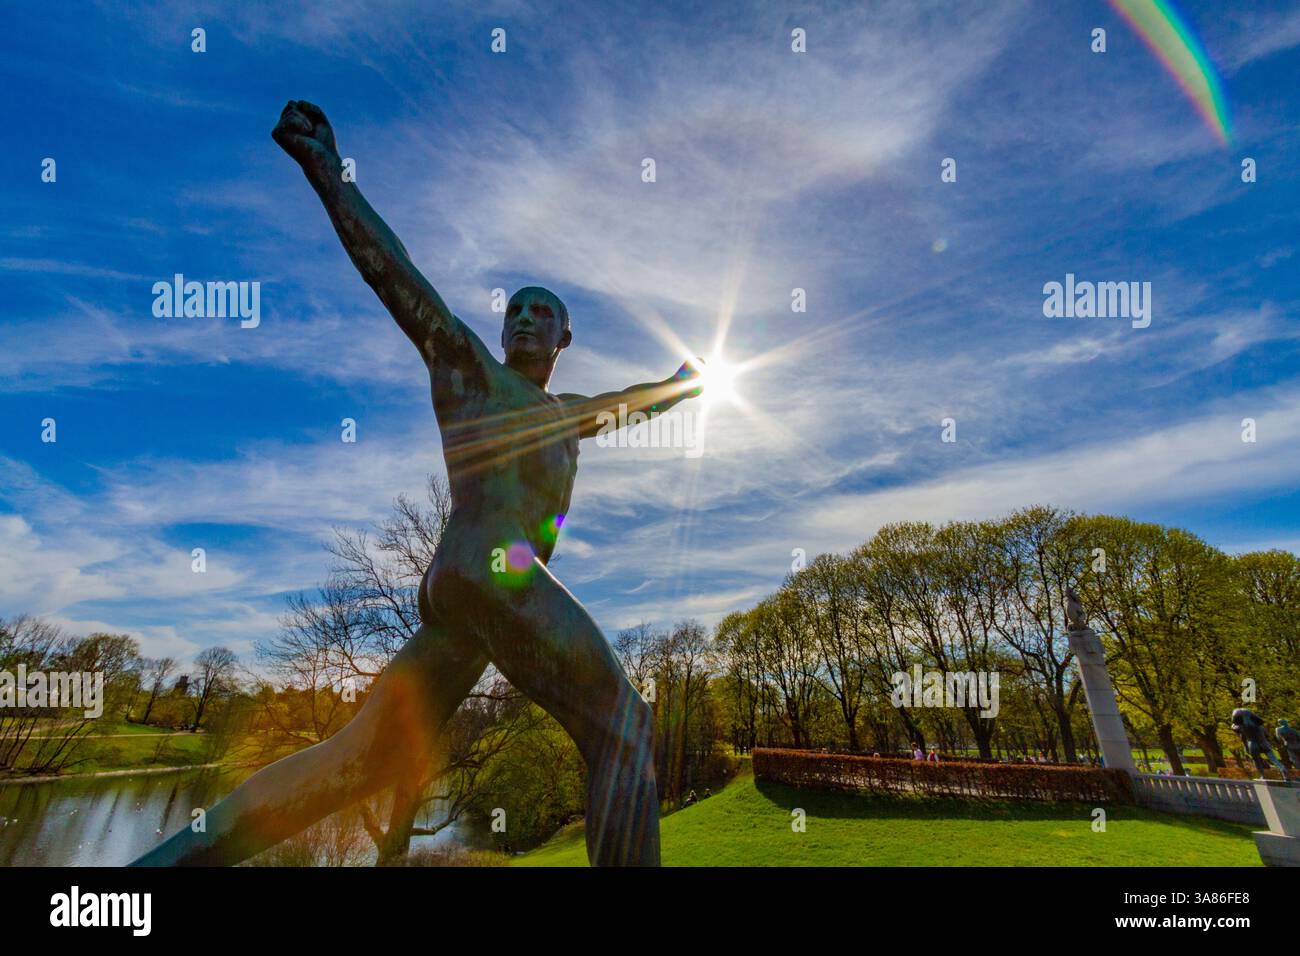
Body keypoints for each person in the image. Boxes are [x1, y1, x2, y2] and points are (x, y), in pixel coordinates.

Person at [134, 100, 706, 868]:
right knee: (626, 726)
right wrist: (329, 175)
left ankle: (154, 871)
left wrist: (683, 384)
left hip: (467, 607)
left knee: (356, 762)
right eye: (517, 310)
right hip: (489, 568)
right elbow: (397, 273)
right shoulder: (471, 372)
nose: (527, 319)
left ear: (566, 337)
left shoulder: (563, 416)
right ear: (502, 331)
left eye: (544, 313)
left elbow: (626, 406)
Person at [1231, 708, 1289, 781]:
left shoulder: (1241, 726)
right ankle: (1282, 769)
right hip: (1264, 743)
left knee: (1257, 761)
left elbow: (1236, 730)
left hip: (1252, 745)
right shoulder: (1259, 726)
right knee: (1274, 760)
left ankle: (1262, 775)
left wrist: (1246, 747)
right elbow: (1267, 735)